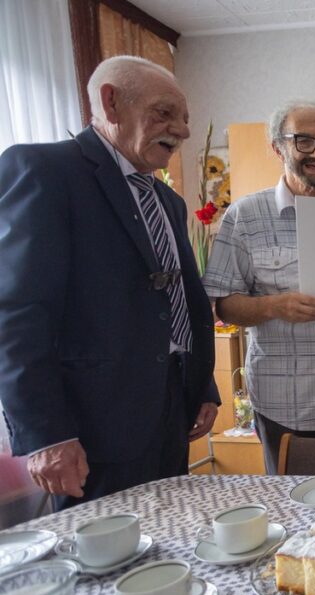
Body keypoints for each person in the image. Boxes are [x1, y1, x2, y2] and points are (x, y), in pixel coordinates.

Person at [0, 56, 218, 508]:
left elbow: (184, 302)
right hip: (94, 431)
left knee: (169, 540)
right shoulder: (45, 172)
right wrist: (46, 434)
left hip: (170, 413)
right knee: (103, 565)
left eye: (184, 118)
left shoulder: (168, 201)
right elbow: (17, 314)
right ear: (111, 102)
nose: (182, 130)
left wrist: (201, 386)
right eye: (164, 113)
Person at [203, 101, 315, 474]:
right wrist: (274, 306)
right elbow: (223, 305)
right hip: (286, 405)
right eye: (304, 141)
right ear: (277, 146)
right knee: (295, 514)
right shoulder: (245, 216)